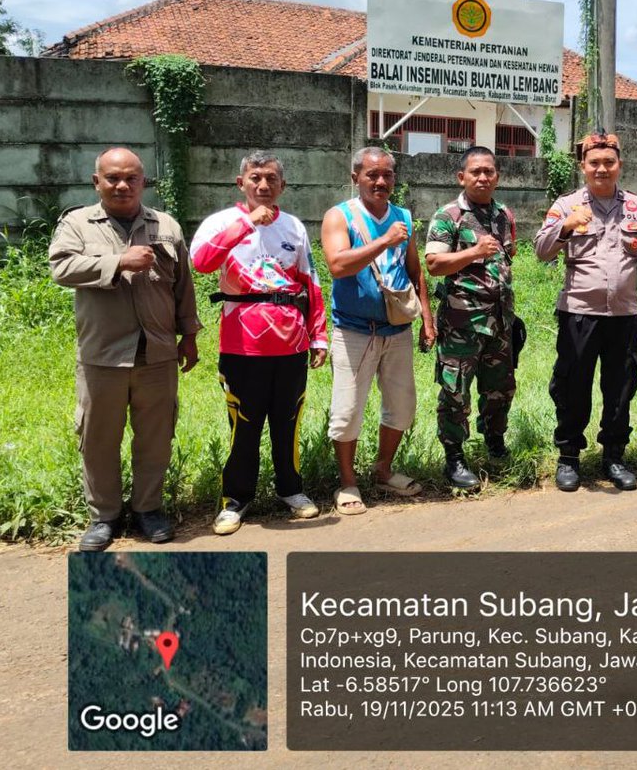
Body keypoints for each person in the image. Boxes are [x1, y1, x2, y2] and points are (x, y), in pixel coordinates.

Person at [49, 147, 200, 551]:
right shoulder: (78, 224)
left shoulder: (164, 225)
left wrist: (190, 335)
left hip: (158, 354)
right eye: (113, 178)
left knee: (155, 437)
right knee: (99, 438)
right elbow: (61, 267)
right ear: (96, 181)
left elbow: (183, 287)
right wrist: (117, 262)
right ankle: (105, 516)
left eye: (131, 178)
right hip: (103, 355)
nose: (122, 185)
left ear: (143, 181)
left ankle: (148, 510)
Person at [190, 150, 328, 535]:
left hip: (291, 342)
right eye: (255, 178)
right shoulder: (222, 223)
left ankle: (291, 490)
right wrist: (246, 224)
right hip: (241, 344)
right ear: (241, 183)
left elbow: (310, 282)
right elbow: (200, 261)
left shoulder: (295, 227)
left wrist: (318, 336)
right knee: (244, 425)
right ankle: (235, 500)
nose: (263, 185)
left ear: (282, 186)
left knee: (288, 421)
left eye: (271, 178)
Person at [533, 131, 637, 492]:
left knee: (620, 388)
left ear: (619, 164)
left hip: (624, 316)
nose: (602, 169)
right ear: (583, 167)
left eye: (609, 162)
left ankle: (614, 457)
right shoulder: (566, 205)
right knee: (573, 386)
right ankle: (569, 458)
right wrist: (566, 227)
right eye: (594, 163)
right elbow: (541, 250)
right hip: (579, 314)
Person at [321, 146, 435, 515]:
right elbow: (338, 265)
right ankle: (348, 482)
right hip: (354, 330)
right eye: (372, 175)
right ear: (355, 177)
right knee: (348, 410)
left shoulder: (403, 217)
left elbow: (416, 271)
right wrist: (384, 240)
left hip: (397, 329)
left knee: (402, 406)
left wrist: (427, 320)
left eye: (387, 175)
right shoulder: (340, 217)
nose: (381, 182)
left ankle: (383, 470)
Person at [425, 146, 518, 490]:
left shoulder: (504, 214)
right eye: (475, 171)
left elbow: (510, 256)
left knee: (500, 389)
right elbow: (434, 265)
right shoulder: (448, 216)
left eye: (489, 171)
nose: (483, 177)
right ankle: (454, 458)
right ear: (461, 177)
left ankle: (495, 443)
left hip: (500, 323)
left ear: (497, 177)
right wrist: (474, 252)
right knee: (455, 393)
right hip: (462, 324)